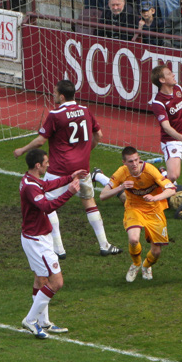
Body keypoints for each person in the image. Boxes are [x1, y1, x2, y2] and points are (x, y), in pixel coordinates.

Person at [13, 79, 121, 259]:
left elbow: (41, 140)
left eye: (55, 93)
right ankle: (104, 245)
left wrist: (22, 150)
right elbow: (99, 135)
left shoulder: (56, 115)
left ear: (62, 96)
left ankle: (59, 249)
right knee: (89, 202)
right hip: (82, 168)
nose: (53, 95)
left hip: (60, 169)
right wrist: (86, 151)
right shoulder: (86, 111)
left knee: (46, 204)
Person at [13, 149, 85, 338]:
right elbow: (47, 206)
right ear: (38, 165)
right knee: (56, 282)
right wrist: (69, 192)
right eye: (46, 162)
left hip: (37, 236)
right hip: (37, 241)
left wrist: (70, 177)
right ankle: (30, 320)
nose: (48, 164)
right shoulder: (30, 186)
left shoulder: (33, 180)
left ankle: (43, 322)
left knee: (41, 279)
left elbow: (48, 184)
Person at [98, 146, 177, 283]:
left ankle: (146, 266)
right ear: (124, 162)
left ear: (139, 159)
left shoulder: (150, 170)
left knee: (156, 252)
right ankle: (135, 264)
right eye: (130, 161)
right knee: (133, 239)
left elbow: (171, 189)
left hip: (154, 210)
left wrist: (155, 198)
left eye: (136, 160)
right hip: (134, 208)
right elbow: (103, 195)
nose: (134, 164)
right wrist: (121, 187)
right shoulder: (121, 173)